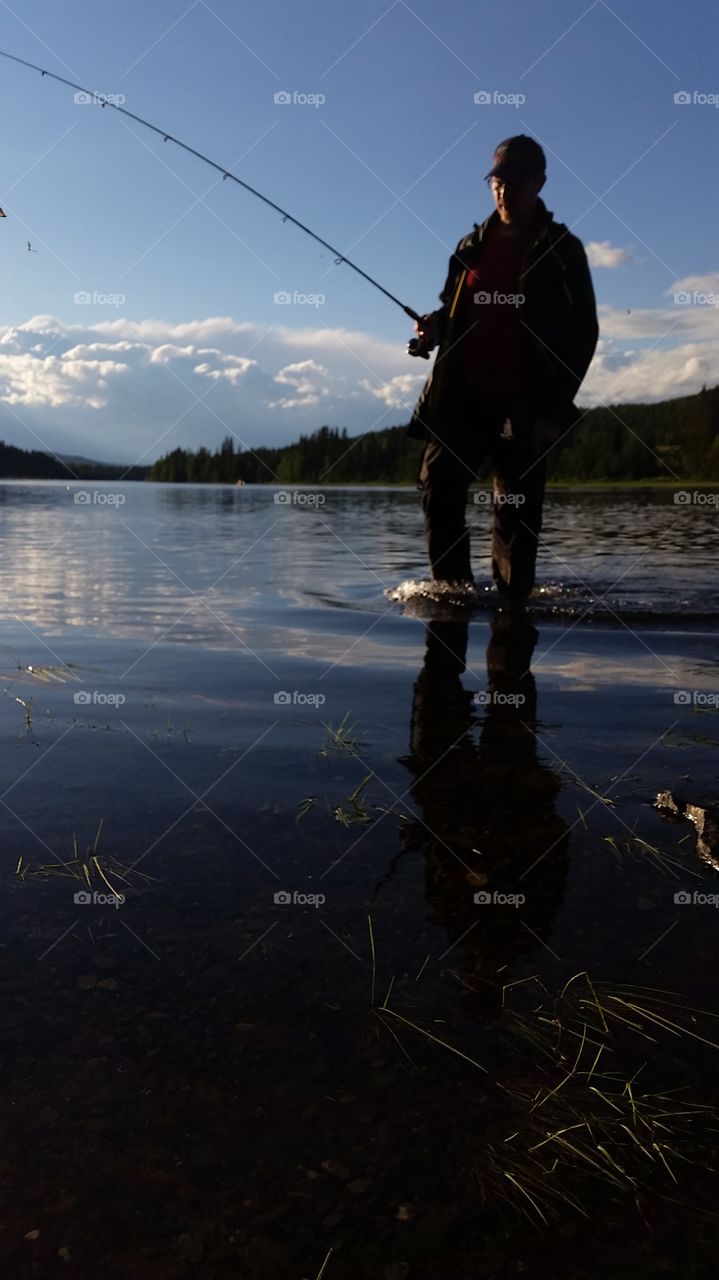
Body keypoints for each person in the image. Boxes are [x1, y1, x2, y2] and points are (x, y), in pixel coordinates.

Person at [406, 134, 599, 602]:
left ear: (539, 182)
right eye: (496, 180)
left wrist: (553, 412)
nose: (502, 190)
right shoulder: (469, 246)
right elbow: (452, 311)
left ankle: (512, 613)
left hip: (526, 404)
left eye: (513, 181)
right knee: (438, 488)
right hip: (461, 398)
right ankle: (452, 597)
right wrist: (432, 331)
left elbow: (584, 333)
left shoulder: (562, 249)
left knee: (514, 513)